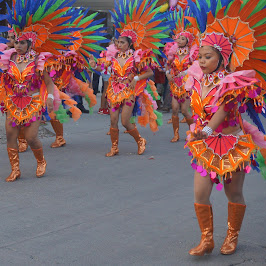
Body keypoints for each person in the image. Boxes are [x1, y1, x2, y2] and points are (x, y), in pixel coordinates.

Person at [185, 0, 266, 256]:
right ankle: (206, 239)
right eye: (199, 56)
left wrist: (206, 129)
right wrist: (195, 127)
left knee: (234, 193)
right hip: (204, 146)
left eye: (208, 57)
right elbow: (195, 110)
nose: (202, 60)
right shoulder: (196, 81)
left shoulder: (234, 83)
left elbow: (223, 111)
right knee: (200, 192)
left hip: (232, 145)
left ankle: (232, 236)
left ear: (222, 58)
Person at [89, 0, 168, 156]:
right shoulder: (112, 56)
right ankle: (114, 147)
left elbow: (149, 73)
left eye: (122, 42)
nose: (118, 44)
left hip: (128, 91)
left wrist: (136, 79)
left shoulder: (136, 58)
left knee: (125, 121)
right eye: (117, 41)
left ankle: (140, 140)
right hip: (113, 91)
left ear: (129, 44)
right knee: (112, 120)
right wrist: (93, 65)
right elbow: (103, 68)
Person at [165, 10, 198, 142]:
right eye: (178, 38)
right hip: (174, 84)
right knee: (174, 109)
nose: (179, 40)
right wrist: (168, 74)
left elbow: (196, 68)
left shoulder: (192, 54)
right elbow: (167, 67)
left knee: (184, 111)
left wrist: (185, 73)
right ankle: (176, 134)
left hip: (186, 85)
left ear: (187, 41)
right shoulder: (172, 53)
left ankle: (192, 132)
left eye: (182, 38)